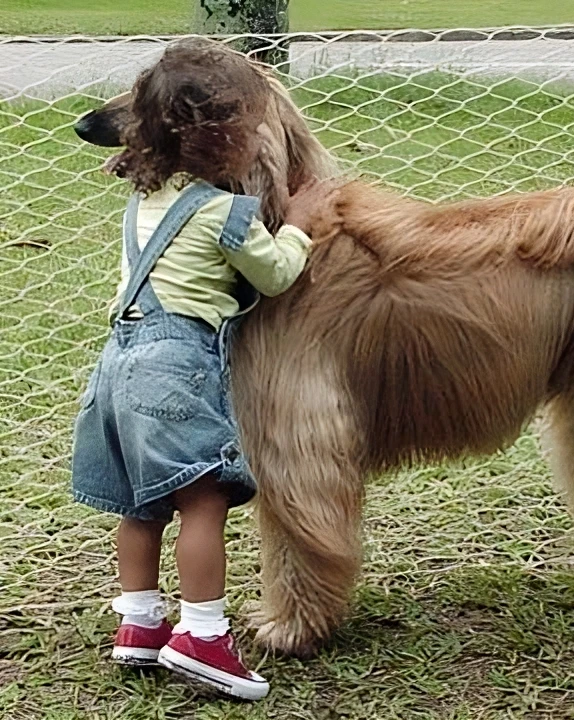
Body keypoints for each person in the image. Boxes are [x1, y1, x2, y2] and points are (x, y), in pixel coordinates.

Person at [70, 40, 329, 701]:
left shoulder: (145, 203)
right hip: (175, 363)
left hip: (116, 363)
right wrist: (298, 223)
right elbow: (275, 275)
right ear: (226, 140)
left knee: (140, 503)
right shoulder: (222, 212)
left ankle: (138, 623)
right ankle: (204, 635)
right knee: (203, 500)